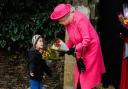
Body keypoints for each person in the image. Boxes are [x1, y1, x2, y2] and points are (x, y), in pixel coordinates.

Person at [50, 3, 106, 89]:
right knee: (81, 71)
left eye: (60, 20)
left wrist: (75, 49)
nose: (60, 23)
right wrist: (65, 49)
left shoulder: (80, 20)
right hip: (81, 47)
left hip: (91, 47)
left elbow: (87, 39)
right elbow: (71, 38)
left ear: (65, 17)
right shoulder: (67, 23)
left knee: (87, 74)